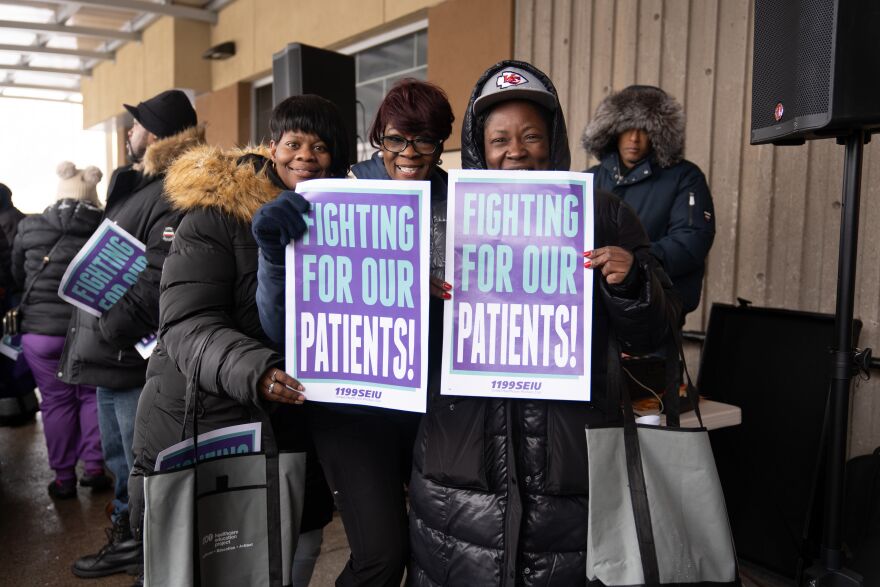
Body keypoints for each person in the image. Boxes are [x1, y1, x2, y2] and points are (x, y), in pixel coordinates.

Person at [406, 60, 679, 586]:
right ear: (478, 147)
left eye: (531, 136)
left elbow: (656, 335)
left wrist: (631, 284)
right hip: (459, 476)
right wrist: (413, 300)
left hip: (569, 474)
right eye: (499, 139)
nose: (515, 150)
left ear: (552, 141)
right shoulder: (438, 218)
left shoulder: (605, 215)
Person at [128, 94, 344, 586]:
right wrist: (258, 371)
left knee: (297, 546)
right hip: (209, 418)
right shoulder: (217, 213)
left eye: (320, 146)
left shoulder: (340, 219)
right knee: (210, 564)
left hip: (294, 427)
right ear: (272, 146)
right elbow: (185, 324)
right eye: (293, 143)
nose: (306, 156)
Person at [252, 79, 454, 586]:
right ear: (377, 138)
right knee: (381, 554)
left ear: (441, 143)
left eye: (424, 140)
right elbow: (282, 326)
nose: (409, 153)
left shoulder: (462, 202)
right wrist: (274, 256)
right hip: (351, 405)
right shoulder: (333, 195)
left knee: (436, 550)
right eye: (396, 139)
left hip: (433, 404)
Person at [66, 89, 205, 580]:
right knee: (121, 460)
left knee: (140, 461)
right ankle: (129, 540)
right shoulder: (141, 184)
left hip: (130, 352)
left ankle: (146, 551)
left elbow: (159, 276)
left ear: (159, 134)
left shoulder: (171, 189)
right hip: (115, 353)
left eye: (139, 123)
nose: (130, 131)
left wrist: (111, 327)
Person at [12, 162, 108, 499]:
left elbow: (17, 275)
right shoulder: (104, 227)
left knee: (55, 402)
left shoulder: (30, 227)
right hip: (90, 331)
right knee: (90, 395)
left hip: (40, 333)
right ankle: (95, 470)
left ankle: (64, 478)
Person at [581, 85, 715, 317]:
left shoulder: (685, 177)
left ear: (659, 134)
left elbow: (691, 241)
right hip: (594, 311)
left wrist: (635, 264)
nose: (634, 138)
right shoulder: (589, 179)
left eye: (644, 129)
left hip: (654, 309)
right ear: (612, 130)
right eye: (627, 127)